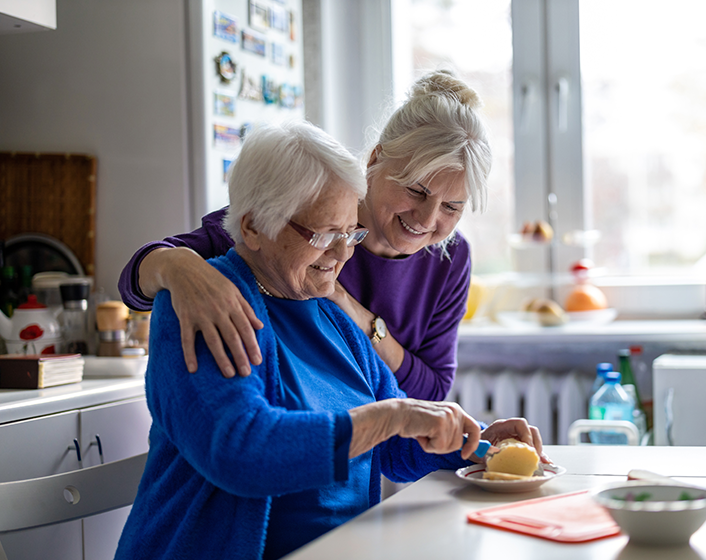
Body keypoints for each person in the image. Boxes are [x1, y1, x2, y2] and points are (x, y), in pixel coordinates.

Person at [114, 121, 541, 560]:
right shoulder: (205, 307)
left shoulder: (332, 317)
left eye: (350, 233)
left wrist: (478, 444)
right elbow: (241, 451)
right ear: (255, 226)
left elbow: (395, 449)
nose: (342, 255)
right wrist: (389, 417)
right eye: (323, 236)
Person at [118, 70, 492, 401]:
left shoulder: (450, 257)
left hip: (364, 455)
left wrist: (354, 313)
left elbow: (429, 393)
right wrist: (179, 266)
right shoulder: (310, 203)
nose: (427, 219)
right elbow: (133, 284)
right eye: (417, 190)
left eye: (452, 206)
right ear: (376, 160)